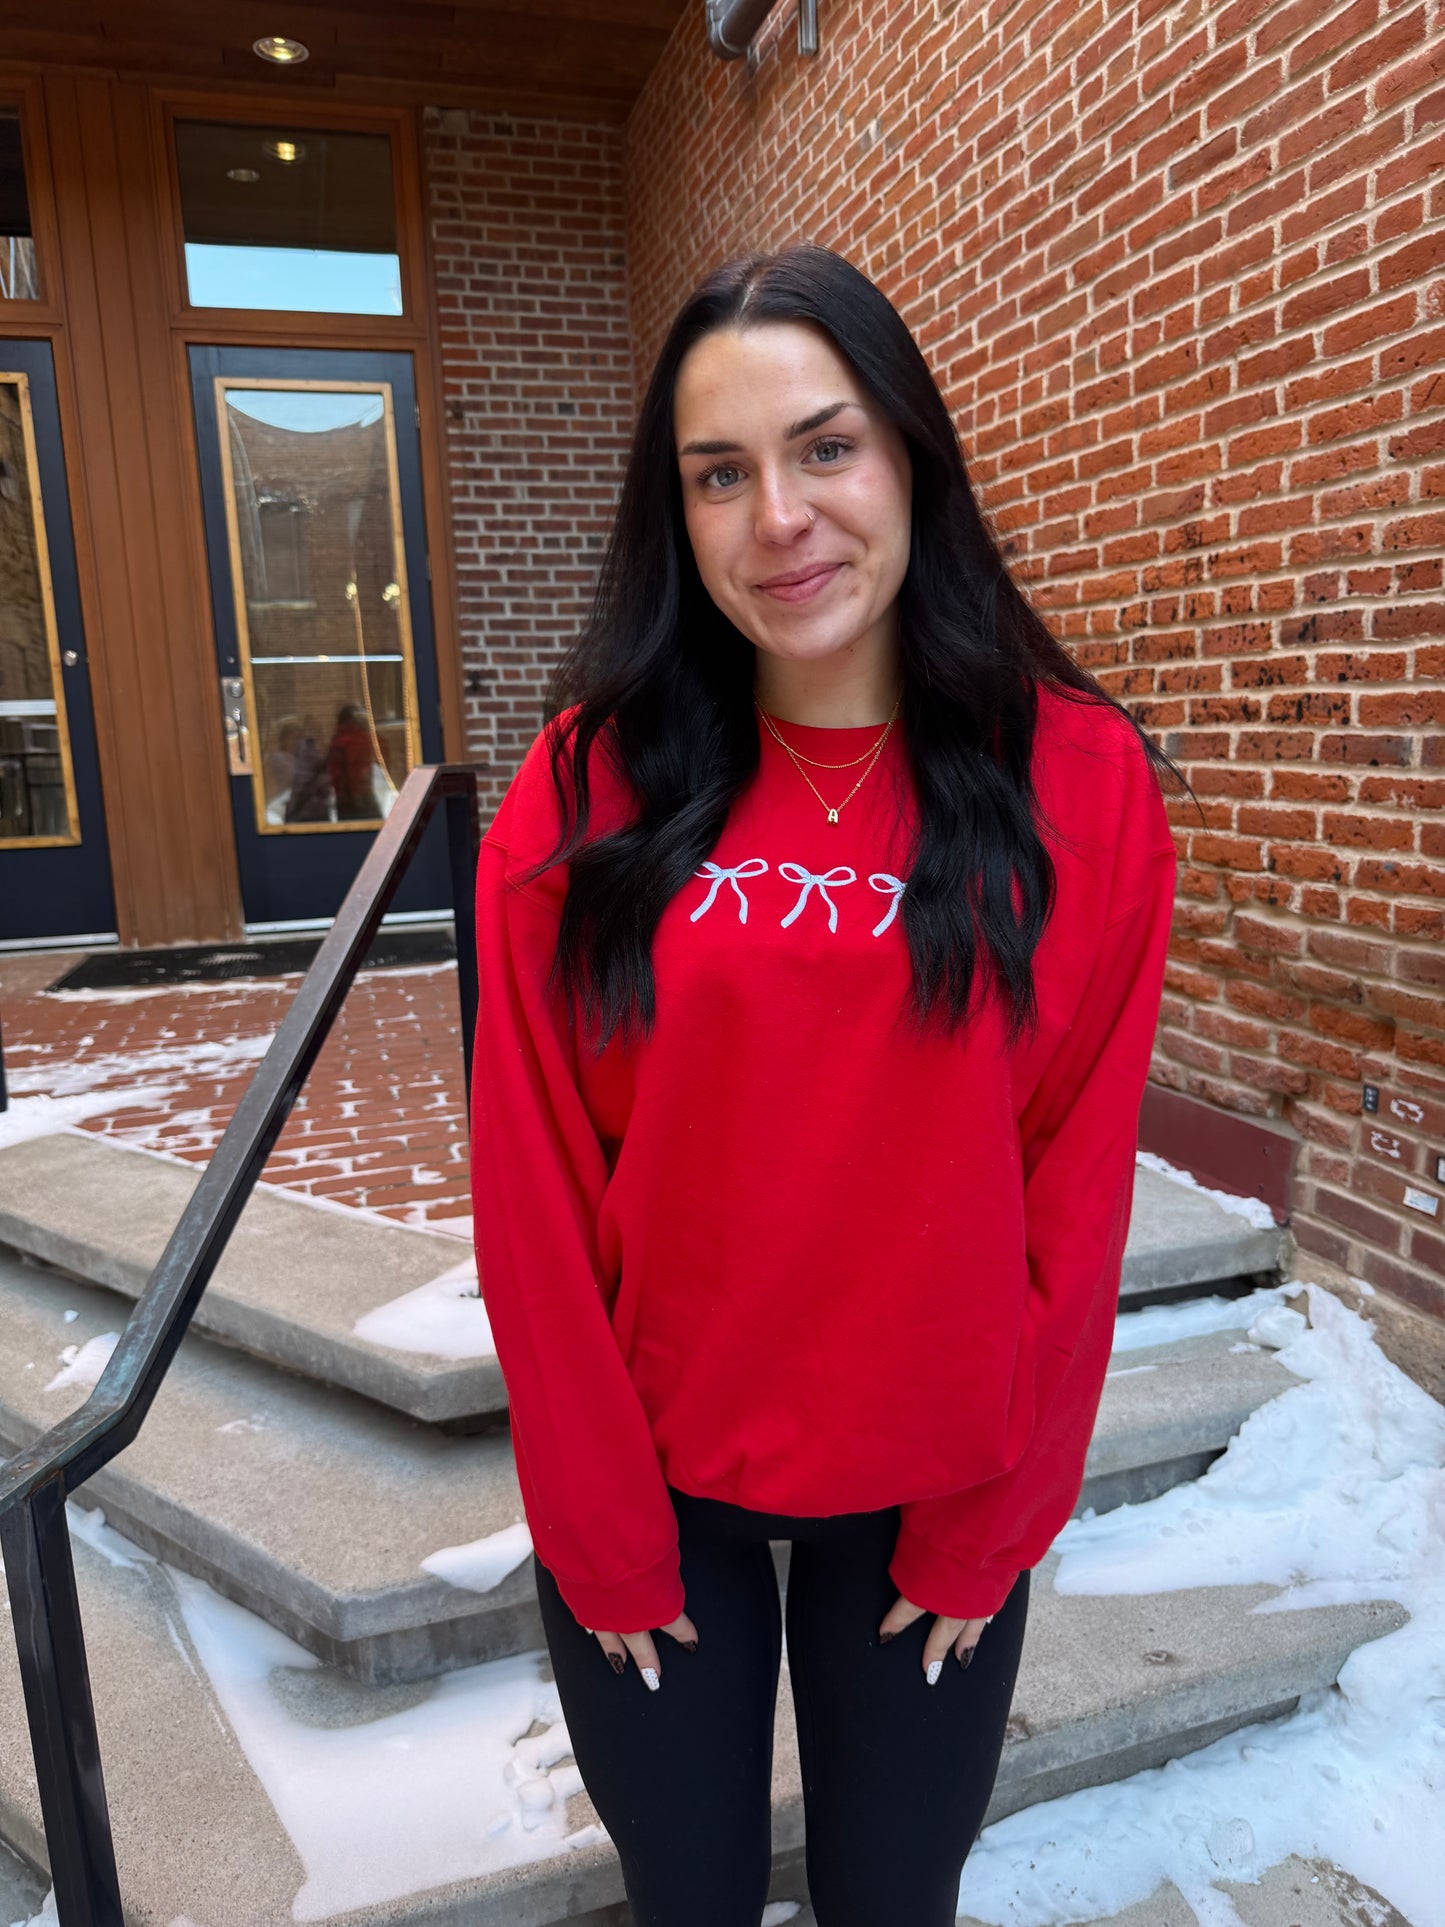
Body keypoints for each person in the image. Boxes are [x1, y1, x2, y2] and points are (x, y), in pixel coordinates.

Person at [468, 243, 1189, 1927]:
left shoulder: (1075, 785)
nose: (777, 516)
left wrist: (991, 1522)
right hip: (661, 1490)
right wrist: (596, 1525)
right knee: (689, 1902)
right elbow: (533, 1182)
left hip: (929, 1487)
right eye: (719, 474)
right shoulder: (590, 786)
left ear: (911, 461)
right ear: (680, 516)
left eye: (825, 446)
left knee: (894, 1900)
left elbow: (1075, 1184)